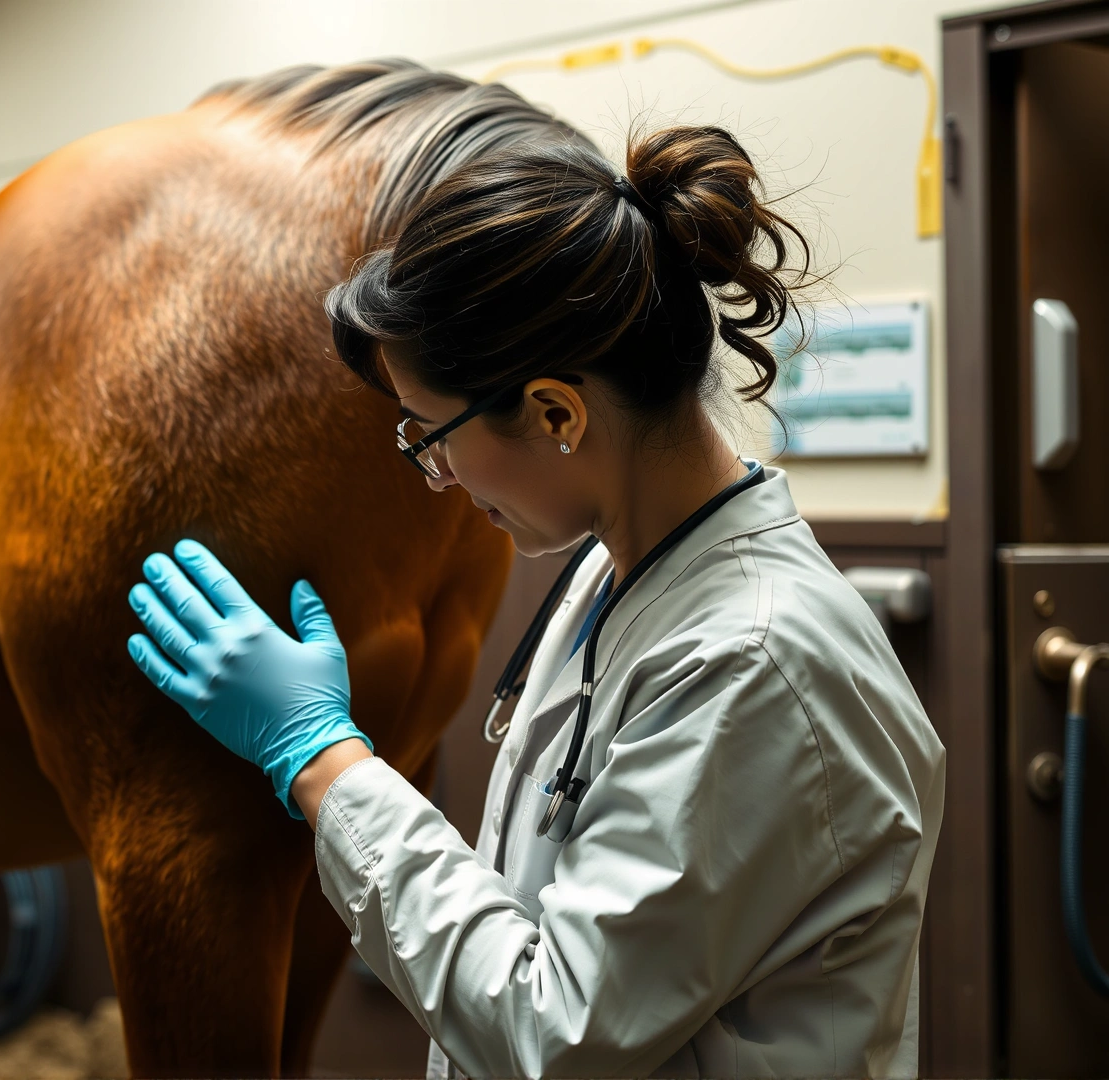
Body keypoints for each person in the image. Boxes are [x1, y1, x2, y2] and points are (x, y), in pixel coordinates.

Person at [123, 125, 945, 1078]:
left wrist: (321, 760)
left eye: (430, 434)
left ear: (557, 413)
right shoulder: (623, 568)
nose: (434, 474)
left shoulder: (754, 661)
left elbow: (552, 1031)